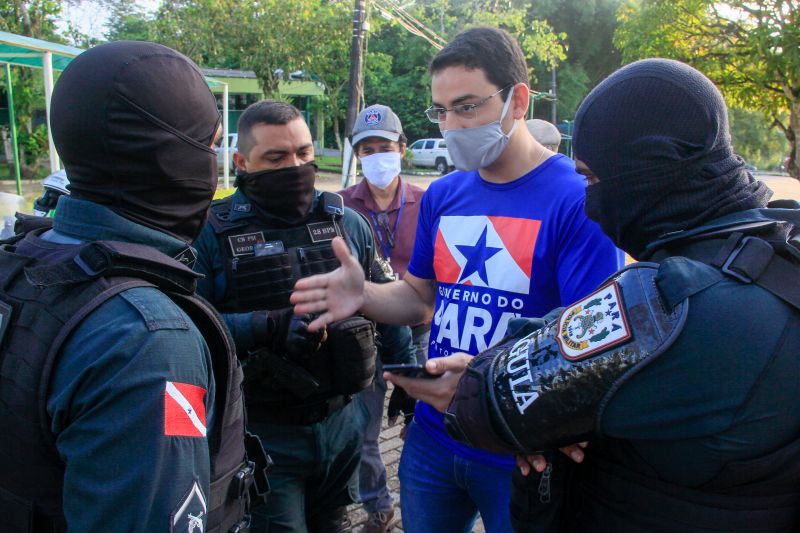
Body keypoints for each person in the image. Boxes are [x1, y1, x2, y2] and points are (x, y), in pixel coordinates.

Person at [398, 59, 800, 531]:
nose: (588, 200)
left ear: (647, 171)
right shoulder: (777, 245)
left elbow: (492, 399)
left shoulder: (676, 302)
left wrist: (510, 389)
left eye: (591, 178)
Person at [292, 26, 624, 533]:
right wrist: (364, 296)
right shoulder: (444, 195)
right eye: (441, 111)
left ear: (517, 100)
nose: (451, 125)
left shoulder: (578, 200)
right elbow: (421, 299)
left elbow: (588, 343)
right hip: (433, 437)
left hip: (520, 450)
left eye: (466, 107)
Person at [0, 41, 265, 532]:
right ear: (170, 155)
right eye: (209, 145)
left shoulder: (17, 262)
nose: (215, 165)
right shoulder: (149, 337)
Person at [193, 99, 389, 532]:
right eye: (277, 157)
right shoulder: (210, 232)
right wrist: (267, 326)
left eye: (303, 153)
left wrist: (406, 370)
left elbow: (384, 305)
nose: (295, 166)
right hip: (263, 433)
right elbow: (189, 328)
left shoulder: (347, 223)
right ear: (242, 162)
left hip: (342, 425)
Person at [339, 104, 426, 532]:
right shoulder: (338, 207)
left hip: (421, 331)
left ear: (402, 150)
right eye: (367, 149)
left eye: (385, 147)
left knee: (425, 422)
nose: (377, 156)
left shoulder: (428, 203)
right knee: (365, 430)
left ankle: (424, 497)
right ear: (357, 155)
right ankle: (378, 505)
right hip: (367, 334)